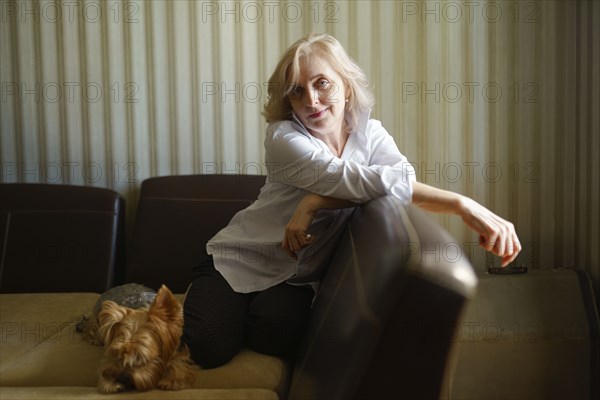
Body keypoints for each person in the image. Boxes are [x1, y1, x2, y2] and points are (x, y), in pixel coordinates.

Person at [182, 32, 521, 368]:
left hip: (295, 276)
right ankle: (210, 304)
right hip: (238, 261)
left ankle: (241, 314)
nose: (312, 101)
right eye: (297, 91)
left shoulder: (371, 134)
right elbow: (354, 180)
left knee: (278, 334)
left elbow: (400, 185)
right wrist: (463, 204)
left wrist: (313, 202)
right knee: (208, 347)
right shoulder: (283, 138)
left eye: (322, 83)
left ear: (345, 85)